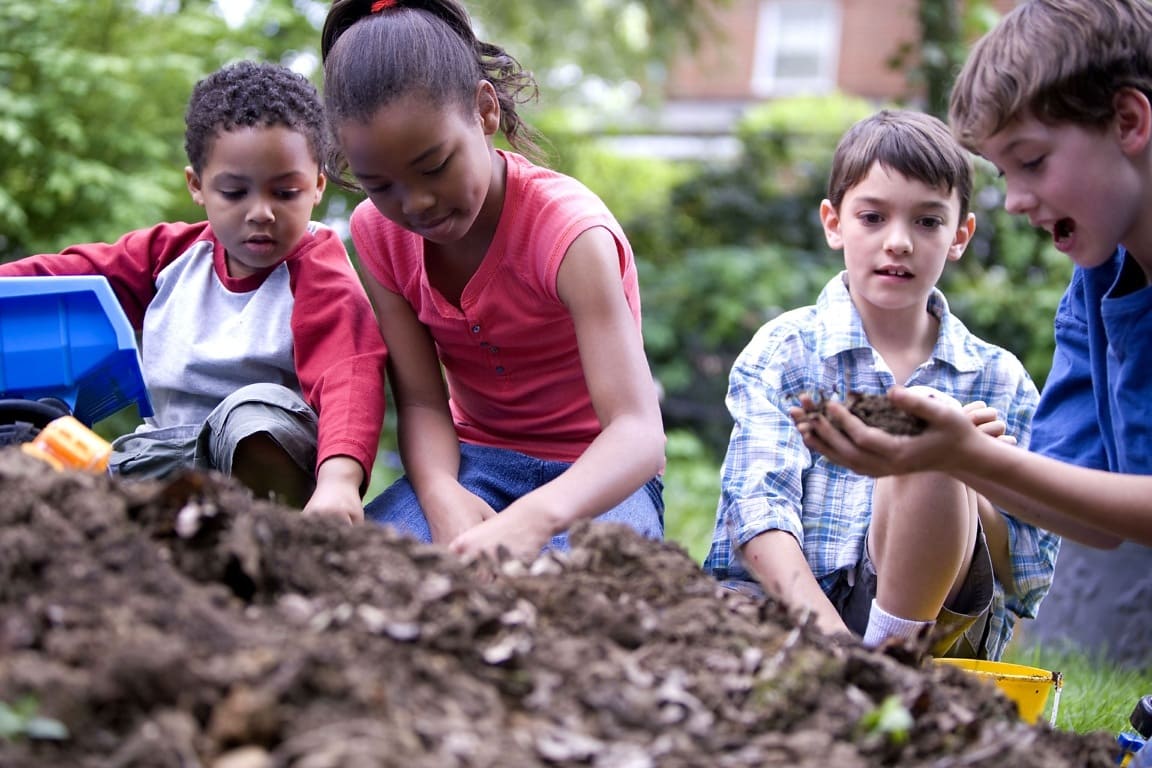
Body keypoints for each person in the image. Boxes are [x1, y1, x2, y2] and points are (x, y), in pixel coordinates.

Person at [792, 0, 1152, 550]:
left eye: (1031, 161)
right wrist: (953, 455)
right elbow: (1092, 519)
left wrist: (966, 455)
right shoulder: (1095, 283)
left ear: (1129, 122)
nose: (1012, 202)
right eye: (1003, 172)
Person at [704, 110, 1059, 660]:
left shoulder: (998, 378)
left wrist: (973, 467)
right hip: (787, 611)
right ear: (834, 223)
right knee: (932, 427)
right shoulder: (788, 350)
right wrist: (840, 647)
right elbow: (757, 513)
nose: (898, 242)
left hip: (931, 631)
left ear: (960, 234)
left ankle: (886, 667)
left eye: (927, 221)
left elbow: (1027, 573)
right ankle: (873, 675)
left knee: (934, 427)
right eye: (872, 217)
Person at [318, 0, 666, 559]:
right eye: (379, 184)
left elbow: (636, 433)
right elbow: (425, 403)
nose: (416, 203)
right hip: (473, 467)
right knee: (357, 569)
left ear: (484, 111)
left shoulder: (571, 235)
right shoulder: (377, 234)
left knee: (563, 597)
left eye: (434, 166)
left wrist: (534, 520)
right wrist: (439, 492)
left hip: (596, 480)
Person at [0, 60, 388, 524]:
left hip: (266, 453)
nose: (260, 212)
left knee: (251, 413)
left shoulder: (317, 271)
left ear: (317, 186)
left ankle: (268, 533)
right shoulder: (171, 256)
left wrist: (339, 482)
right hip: (164, 455)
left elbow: (349, 376)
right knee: (38, 444)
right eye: (235, 192)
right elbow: (66, 277)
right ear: (198, 186)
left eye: (284, 193)